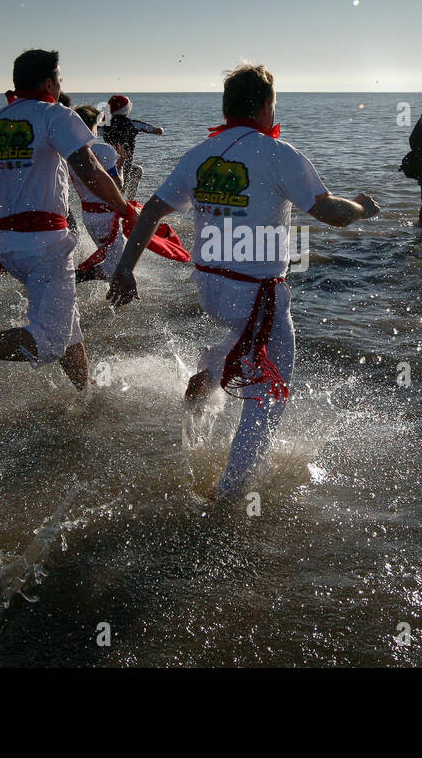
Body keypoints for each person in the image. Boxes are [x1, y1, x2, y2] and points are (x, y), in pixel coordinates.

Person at [107, 62, 381, 500]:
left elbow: (152, 211)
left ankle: (211, 374)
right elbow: (331, 213)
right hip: (256, 295)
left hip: (210, 287)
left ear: (227, 106)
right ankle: (230, 497)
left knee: (245, 345)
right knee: (270, 392)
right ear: (267, 106)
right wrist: (363, 208)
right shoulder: (279, 154)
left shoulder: (201, 153)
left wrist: (125, 269)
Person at [0, 49, 131, 394]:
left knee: (67, 325)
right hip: (47, 246)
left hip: (9, 248)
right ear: (49, 82)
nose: (61, 86)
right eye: (59, 79)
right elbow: (89, 170)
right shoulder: (55, 115)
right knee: (50, 341)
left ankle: (85, 396)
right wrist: (125, 207)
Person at [70, 105, 128, 281]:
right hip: (106, 216)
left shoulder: (69, 153)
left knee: (111, 260)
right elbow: (117, 186)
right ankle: (73, 278)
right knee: (116, 267)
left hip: (88, 215)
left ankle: (79, 278)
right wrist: (121, 164)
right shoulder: (104, 150)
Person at [101, 94, 163, 199]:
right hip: (124, 163)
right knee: (132, 176)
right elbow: (158, 131)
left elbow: (91, 132)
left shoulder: (104, 125)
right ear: (126, 110)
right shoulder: (132, 124)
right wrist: (160, 128)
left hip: (106, 164)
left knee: (135, 171)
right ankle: (129, 203)